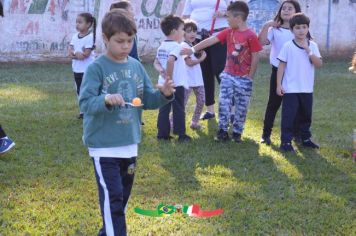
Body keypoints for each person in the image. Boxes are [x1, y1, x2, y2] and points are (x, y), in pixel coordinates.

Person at [79, 10, 175, 235]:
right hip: (104, 148)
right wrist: (105, 99)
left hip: (130, 145)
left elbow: (147, 99)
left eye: (130, 41)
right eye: (119, 41)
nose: (125, 46)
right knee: (113, 201)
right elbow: (85, 103)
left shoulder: (135, 66)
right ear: (105, 38)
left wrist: (164, 94)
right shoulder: (97, 68)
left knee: (119, 201)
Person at [182, 1, 262, 142]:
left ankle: (237, 132)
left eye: (228, 17)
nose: (227, 19)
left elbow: (256, 57)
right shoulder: (228, 32)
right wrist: (193, 49)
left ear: (238, 18)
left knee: (241, 107)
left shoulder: (251, 35)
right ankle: (222, 131)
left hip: (244, 78)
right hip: (228, 76)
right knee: (224, 103)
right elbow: (210, 41)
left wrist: (250, 77)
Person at [276, 13, 322, 152]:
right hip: (290, 89)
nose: (301, 30)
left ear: (308, 28)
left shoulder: (312, 45)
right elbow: (281, 66)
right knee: (289, 116)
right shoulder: (288, 46)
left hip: (307, 88)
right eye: (297, 28)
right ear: (291, 30)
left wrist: (308, 50)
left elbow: (319, 64)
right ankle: (285, 142)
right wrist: (279, 84)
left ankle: (305, 139)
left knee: (306, 115)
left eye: (304, 27)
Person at [258, 0, 301, 145]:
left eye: (290, 8)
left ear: (297, 11)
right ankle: (266, 134)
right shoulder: (274, 30)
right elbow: (261, 42)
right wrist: (267, 25)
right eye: (284, 8)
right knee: (273, 104)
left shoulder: (300, 29)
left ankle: (296, 135)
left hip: (295, 73)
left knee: (295, 105)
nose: (286, 10)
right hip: (278, 72)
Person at [182, 0, 230, 120]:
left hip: (219, 35)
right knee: (205, 73)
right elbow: (186, 16)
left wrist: (223, 14)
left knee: (220, 71)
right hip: (198, 37)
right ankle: (210, 110)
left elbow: (237, 13)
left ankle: (231, 109)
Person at [154, 15, 192, 142]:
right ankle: (181, 135)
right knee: (179, 109)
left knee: (164, 109)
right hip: (175, 85)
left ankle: (162, 134)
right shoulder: (176, 46)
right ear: (174, 32)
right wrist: (169, 81)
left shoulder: (162, 46)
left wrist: (163, 76)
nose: (184, 32)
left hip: (162, 84)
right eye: (182, 29)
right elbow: (171, 60)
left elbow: (157, 62)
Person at [69, 12, 96, 119]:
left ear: (88, 24)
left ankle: (90, 110)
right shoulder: (74, 36)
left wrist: (77, 55)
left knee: (87, 90)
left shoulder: (90, 37)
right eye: (76, 22)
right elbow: (70, 50)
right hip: (76, 69)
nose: (77, 24)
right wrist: (74, 54)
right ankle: (83, 111)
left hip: (87, 70)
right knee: (79, 90)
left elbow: (86, 54)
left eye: (80, 22)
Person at [182, 19, 207, 130]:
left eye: (194, 31)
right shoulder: (183, 45)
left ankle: (194, 122)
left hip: (198, 80)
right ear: (183, 33)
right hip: (187, 80)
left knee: (201, 100)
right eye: (189, 31)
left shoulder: (193, 45)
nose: (192, 34)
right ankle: (172, 122)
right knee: (182, 104)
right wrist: (202, 58)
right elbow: (189, 62)